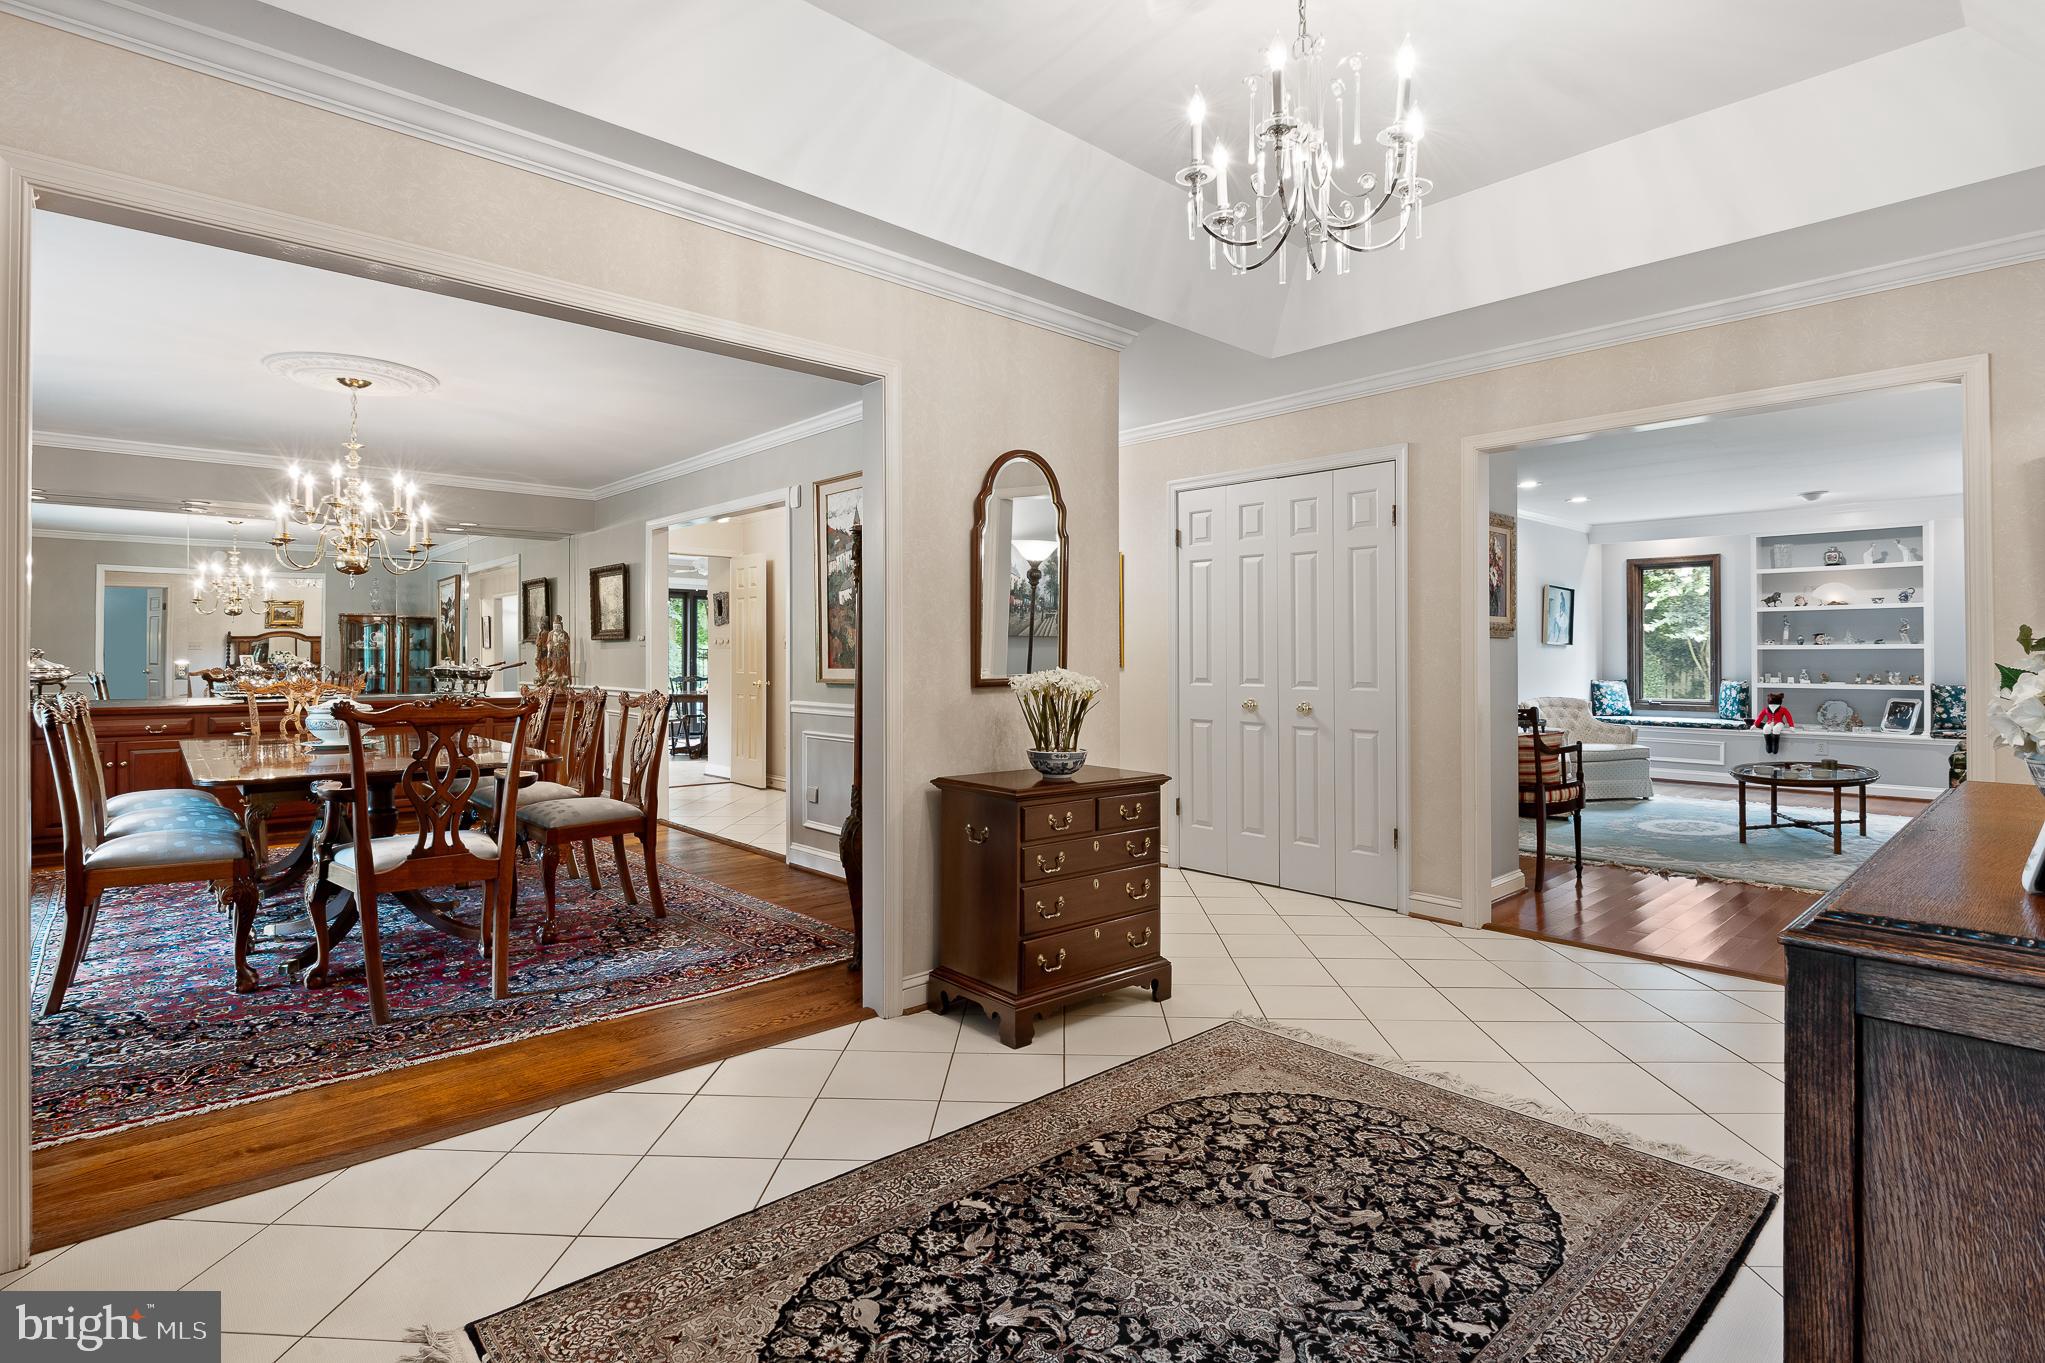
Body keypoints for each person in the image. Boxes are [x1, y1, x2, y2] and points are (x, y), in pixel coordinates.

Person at [536, 614, 572, 685]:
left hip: (562, 651)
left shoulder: (565, 634)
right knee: (554, 663)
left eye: (558, 626)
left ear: (561, 626)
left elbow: (567, 642)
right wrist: (549, 651)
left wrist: (564, 642)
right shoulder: (550, 633)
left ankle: (562, 674)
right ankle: (554, 674)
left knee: (562, 662)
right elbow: (548, 642)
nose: (556, 628)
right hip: (554, 651)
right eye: (555, 626)